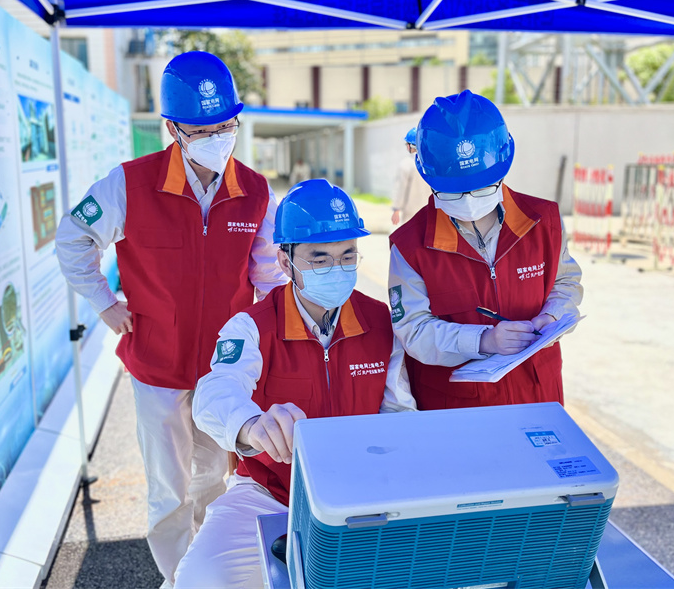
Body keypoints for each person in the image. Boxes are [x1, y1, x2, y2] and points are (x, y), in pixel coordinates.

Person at [55, 51, 287, 588]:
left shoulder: (255, 192)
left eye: (225, 126)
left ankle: (204, 575)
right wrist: (104, 303)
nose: (216, 138)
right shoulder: (130, 184)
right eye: (201, 130)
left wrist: (271, 343)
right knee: (167, 490)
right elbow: (73, 238)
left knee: (213, 483)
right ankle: (175, 579)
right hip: (156, 366)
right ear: (172, 129)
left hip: (221, 372)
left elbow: (270, 276)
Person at [173, 179, 417, 588]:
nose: (337, 269)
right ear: (285, 263)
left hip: (360, 493)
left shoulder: (381, 324)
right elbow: (216, 392)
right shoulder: (253, 326)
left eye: (347, 255)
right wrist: (251, 425)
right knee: (202, 578)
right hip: (267, 492)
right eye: (319, 259)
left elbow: (398, 412)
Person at [389, 89, 582, 410]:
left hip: (537, 394)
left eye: (481, 188)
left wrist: (552, 315)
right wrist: (483, 340)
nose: (468, 201)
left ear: (503, 166)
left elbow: (566, 282)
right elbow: (413, 330)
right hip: (457, 408)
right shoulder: (409, 246)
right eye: (452, 192)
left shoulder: (543, 222)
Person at [391, 127, 432, 226]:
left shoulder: (406, 164)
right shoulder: (431, 163)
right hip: (430, 211)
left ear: (411, 145)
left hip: (411, 213)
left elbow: (401, 189)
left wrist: (396, 209)